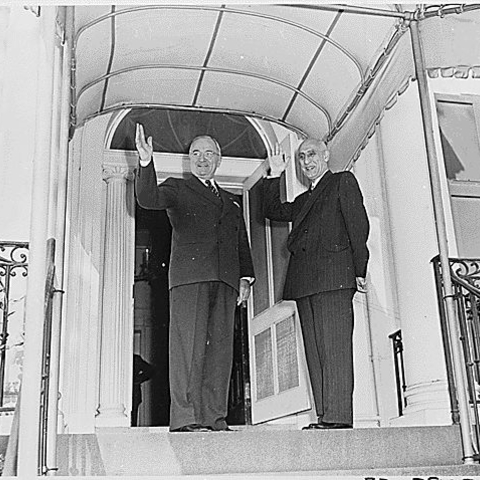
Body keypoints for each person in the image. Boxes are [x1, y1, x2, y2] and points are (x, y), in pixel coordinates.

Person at [135, 124, 255, 432]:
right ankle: (186, 417)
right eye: (195, 153)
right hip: (190, 278)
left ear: (219, 159)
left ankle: (214, 417)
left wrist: (246, 277)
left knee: (220, 351)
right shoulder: (178, 187)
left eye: (209, 153)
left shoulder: (231, 201)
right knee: (187, 348)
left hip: (226, 281)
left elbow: (240, 241)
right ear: (189, 159)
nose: (202, 159)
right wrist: (147, 163)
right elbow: (148, 198)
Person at [263, 138, 369, 430]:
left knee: (334, 349)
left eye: (311, 155)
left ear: (325, 155)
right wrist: (274, 173)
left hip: (335, 277)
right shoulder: (303, 200)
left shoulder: (342, 182)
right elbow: (272, 210)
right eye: (301, 157)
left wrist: (359, 269)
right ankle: (325, 416)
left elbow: (358, 226)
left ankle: (338, 418)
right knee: (315, 351)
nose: (306, 161)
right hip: (305, 281)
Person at [131, 354, 155, 427]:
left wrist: (137, 380)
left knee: (133, 421)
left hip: (133, 394)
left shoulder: (135, 359)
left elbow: (151, 370)